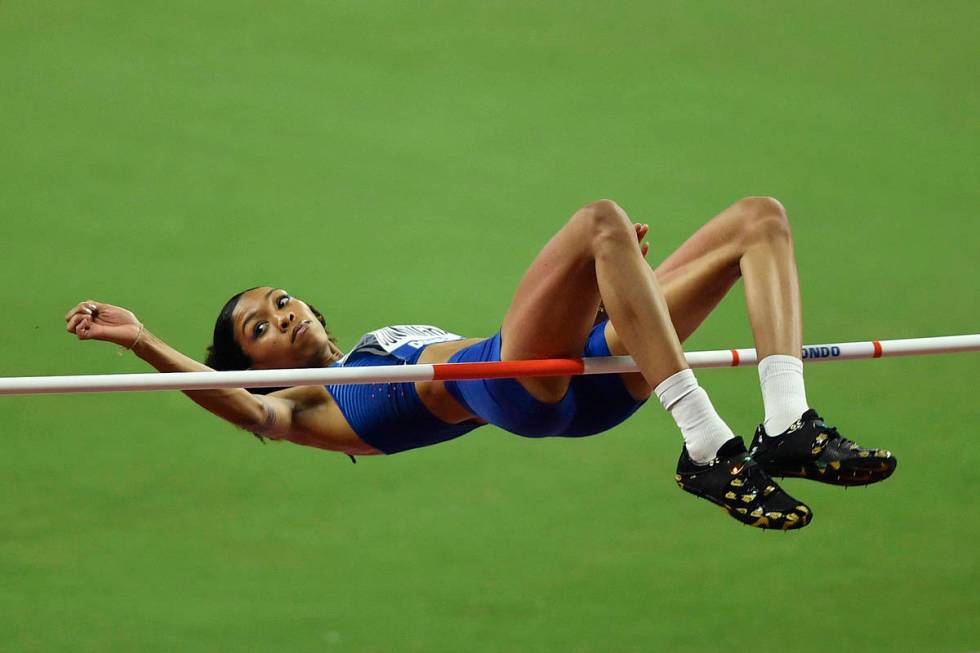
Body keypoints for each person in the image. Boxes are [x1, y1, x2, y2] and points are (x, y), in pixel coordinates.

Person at [65, 197, 896, 530]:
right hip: (518, 385)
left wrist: (614, 298)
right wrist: (143, 341)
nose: (282, 311)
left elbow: (575, 327)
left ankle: (787, 425)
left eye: (280, 298)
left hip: (586, 375)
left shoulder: (366, 348)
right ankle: (708, 447)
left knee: (758, 220)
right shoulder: (309, 409)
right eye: (259, 325)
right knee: (599, 221)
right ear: (251, 366)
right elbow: (249, 414)